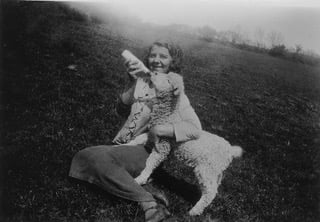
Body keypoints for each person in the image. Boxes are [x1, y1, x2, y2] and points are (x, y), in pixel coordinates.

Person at [69, 41, 202, 222]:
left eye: (163, 56)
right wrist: (133, 83)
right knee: (85, 156)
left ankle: (150, 205)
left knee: (93, 157)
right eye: (153, 55)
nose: (156, 60)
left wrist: (160, 129)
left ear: (173, 62)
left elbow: (195, 128)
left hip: (148, 151)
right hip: (124, 145)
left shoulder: (176, 93)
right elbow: (121, 111)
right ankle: (145, 185)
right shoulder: (143, 81)